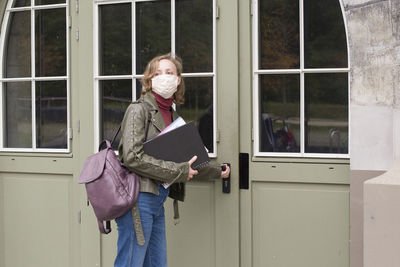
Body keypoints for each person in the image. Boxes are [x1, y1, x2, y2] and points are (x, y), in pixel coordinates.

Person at [115, 53, 231, 267]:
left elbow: (189, 162)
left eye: (169, 73)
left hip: (157, 201)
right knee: (130, 263)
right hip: (137, 200)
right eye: (157, 73)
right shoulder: (138, 109)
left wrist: (218, 170)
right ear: (149, 80)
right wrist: (178, 171)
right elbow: (132, 157)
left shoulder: (174, 118)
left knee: (157, 264)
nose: (164, 77)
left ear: (178, 80)